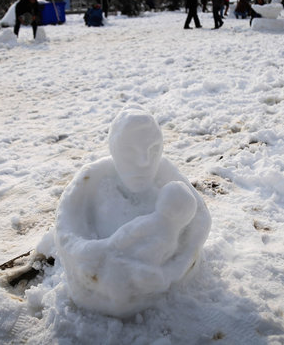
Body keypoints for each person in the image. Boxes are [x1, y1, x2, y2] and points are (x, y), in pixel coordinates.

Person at [54, 105, 211, 317]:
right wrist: (94, 252)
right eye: (130, 151)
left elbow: (200, 219)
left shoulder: (166, 175)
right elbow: (66, 233)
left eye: (153, 149)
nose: (144, 162)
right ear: (114, 149)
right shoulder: (92, 180)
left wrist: (171, 272)